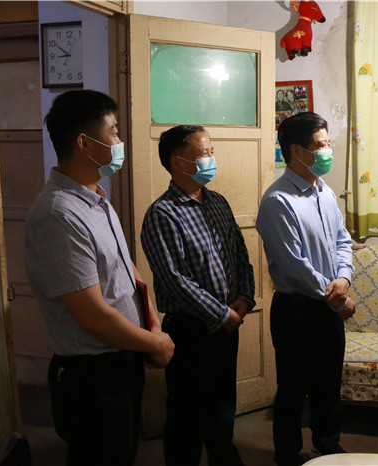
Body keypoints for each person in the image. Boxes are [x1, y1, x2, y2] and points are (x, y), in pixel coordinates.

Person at [24, 90, 175, 466]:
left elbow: (126, 269)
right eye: (114, 131)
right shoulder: (59, 215)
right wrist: (153, 343)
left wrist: (151, 324)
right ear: (84, 143)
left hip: (121, 361)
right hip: (92, 377)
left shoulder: (95, 199)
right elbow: (90, 314)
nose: (120, 140)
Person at [141, 125, 255, 466]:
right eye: (203, 153)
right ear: (178, 163)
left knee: (223, 409)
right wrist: (221, 315)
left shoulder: (218, 202)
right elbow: (174, 279)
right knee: (187, 417)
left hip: (228, 326)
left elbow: (240, 254)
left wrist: (245, 297)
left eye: (211, 151)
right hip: (191, 331)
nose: (211, 159)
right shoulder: (162, 214)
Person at [256, 112, 356, 466]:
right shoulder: (278, 201)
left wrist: (344, 279)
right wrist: (336, 299)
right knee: (294, 389)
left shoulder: (323, 190)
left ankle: (327, 447)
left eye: (328, 143)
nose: (327, 151)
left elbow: (342, 240)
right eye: (320, 145)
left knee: (329, 385)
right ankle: (287, 455)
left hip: (329, 305)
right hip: (297, 310)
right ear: (296, 151)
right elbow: (293, 266)